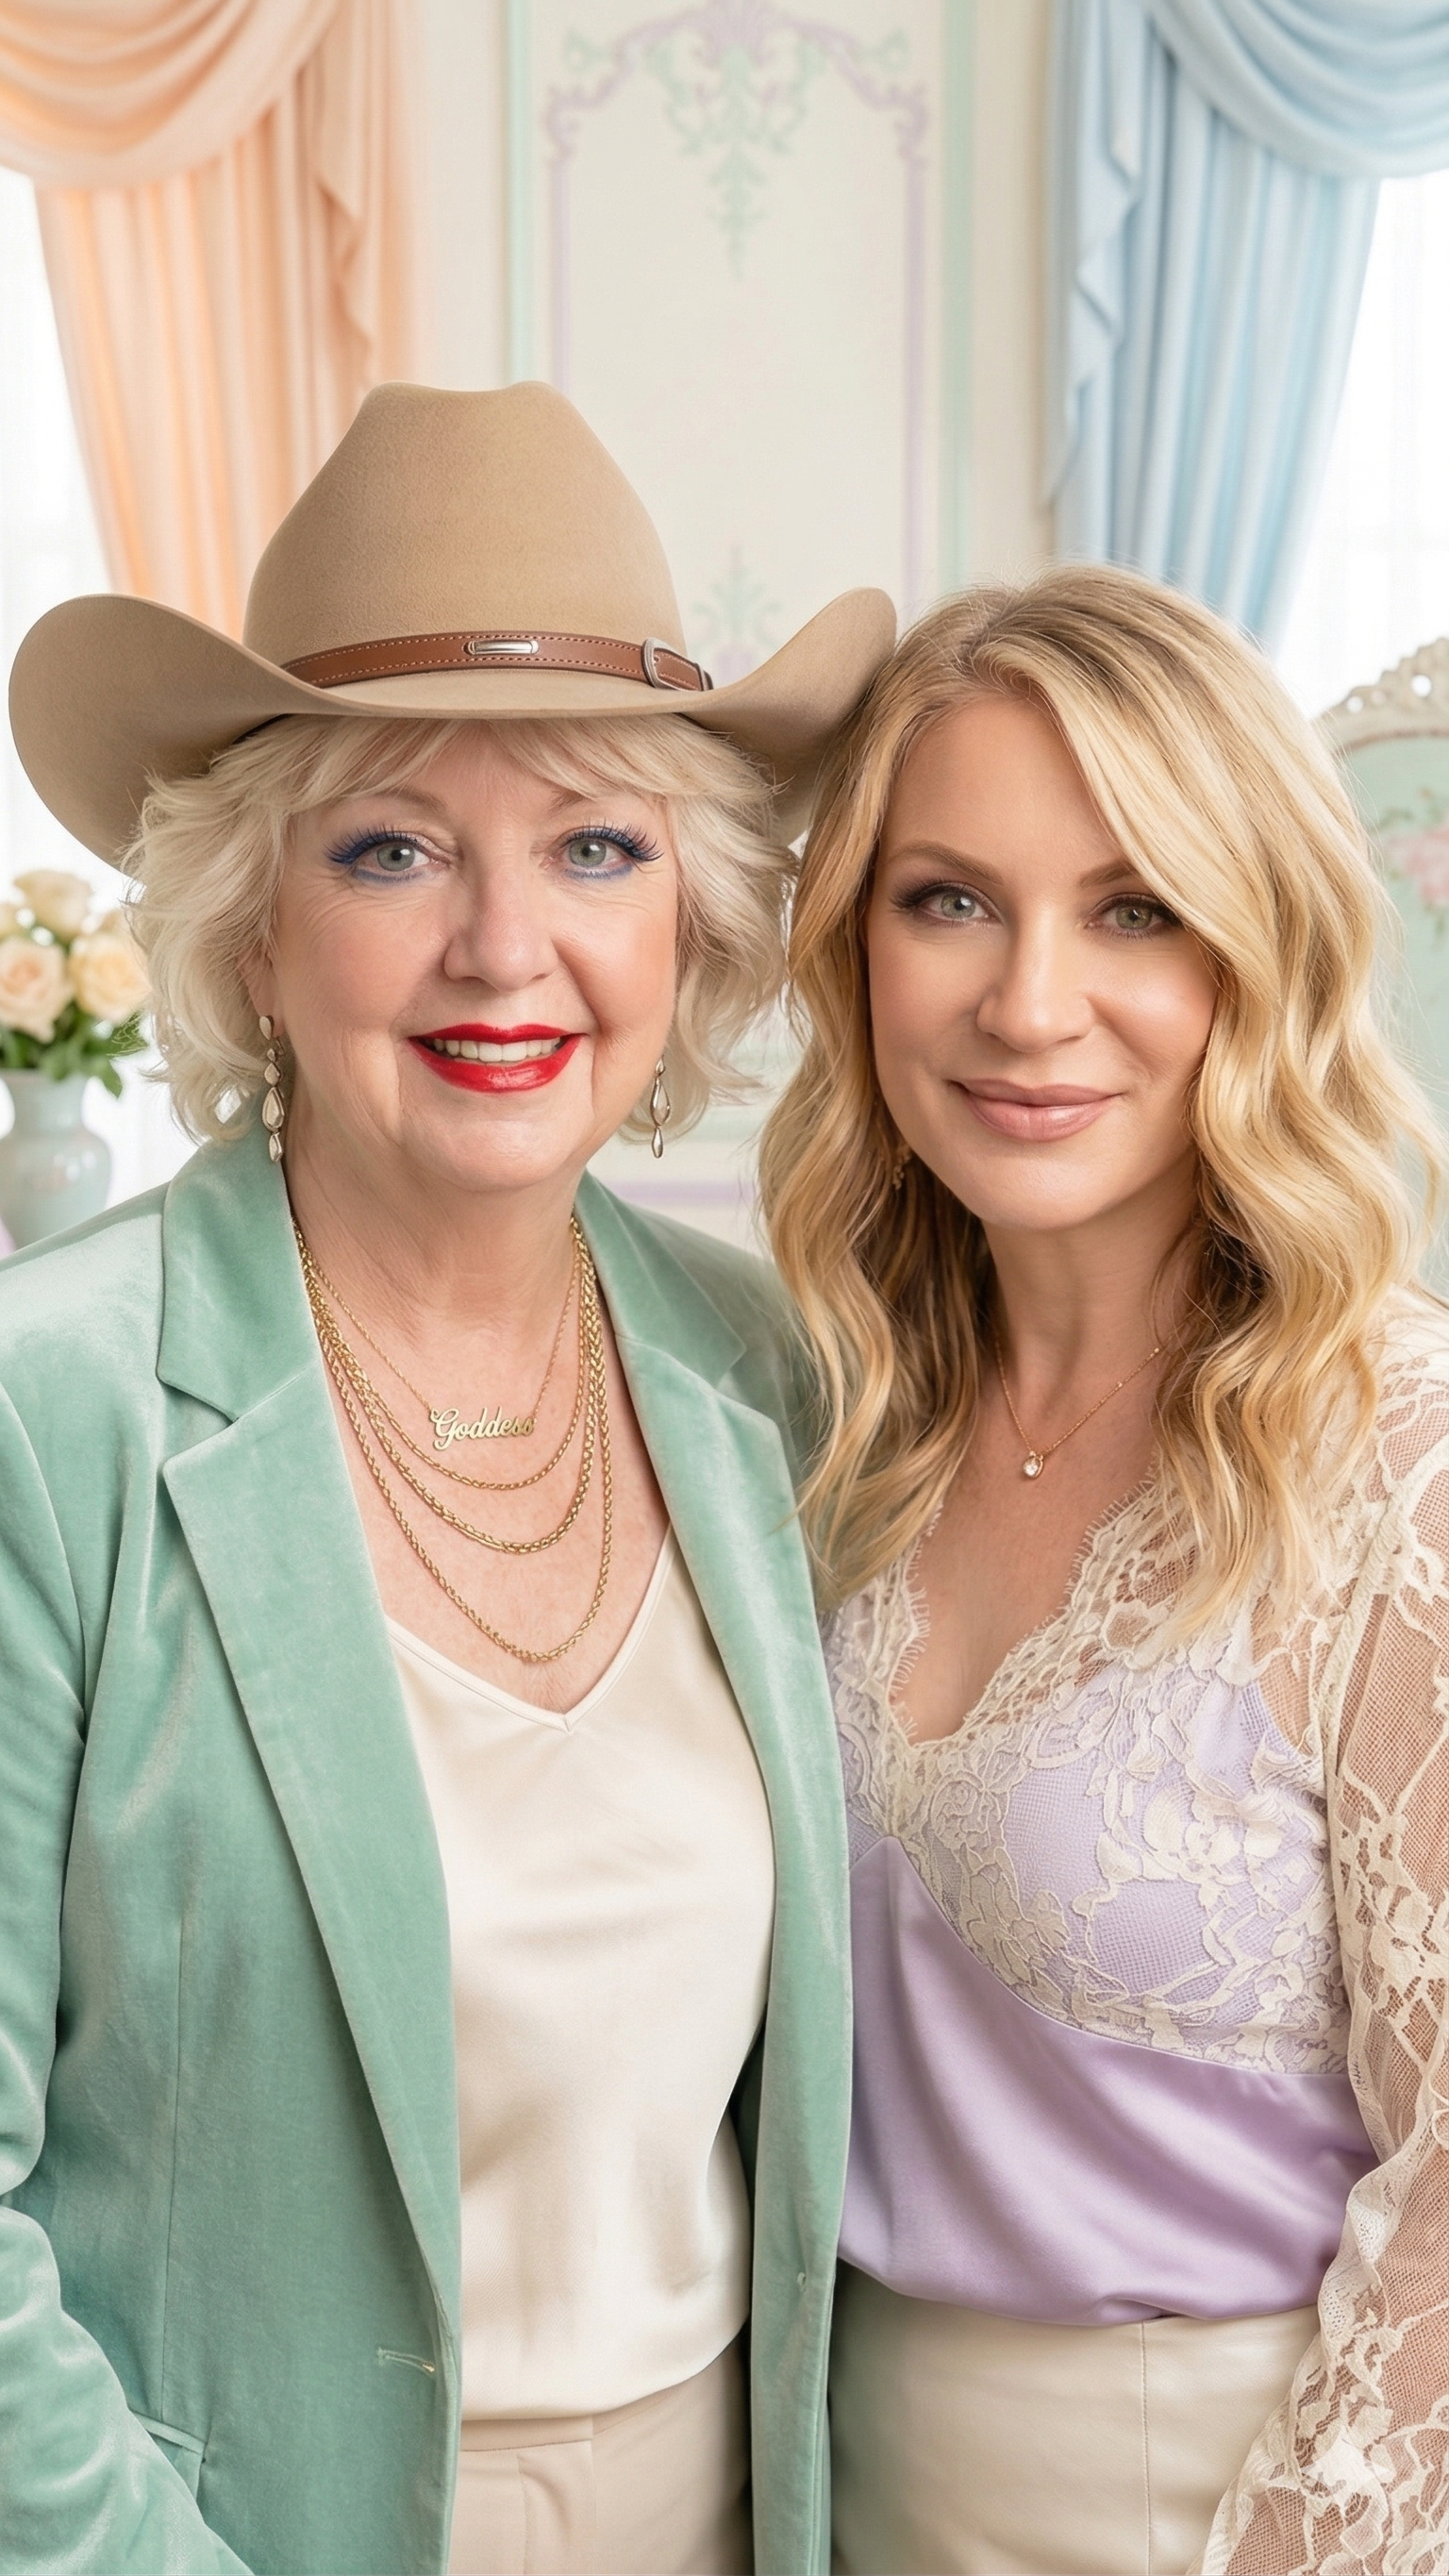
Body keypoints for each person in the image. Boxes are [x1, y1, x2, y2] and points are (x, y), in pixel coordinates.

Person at [0, 382, 893, 2576]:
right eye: (390, 849)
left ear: (688, 925)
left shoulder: (769, 1375)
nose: (507, 948)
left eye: (596, 847)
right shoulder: (52, 1411)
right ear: (251, 924)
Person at [760, 563, 1449, 2576]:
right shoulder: (826, 1413)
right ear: (855, 945)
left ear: (1258, 946)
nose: (1028, 1002)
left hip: (1225, 2509)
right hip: (825, 2489)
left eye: (1134, 907)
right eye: (948, 899)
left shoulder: (1397, 1463)